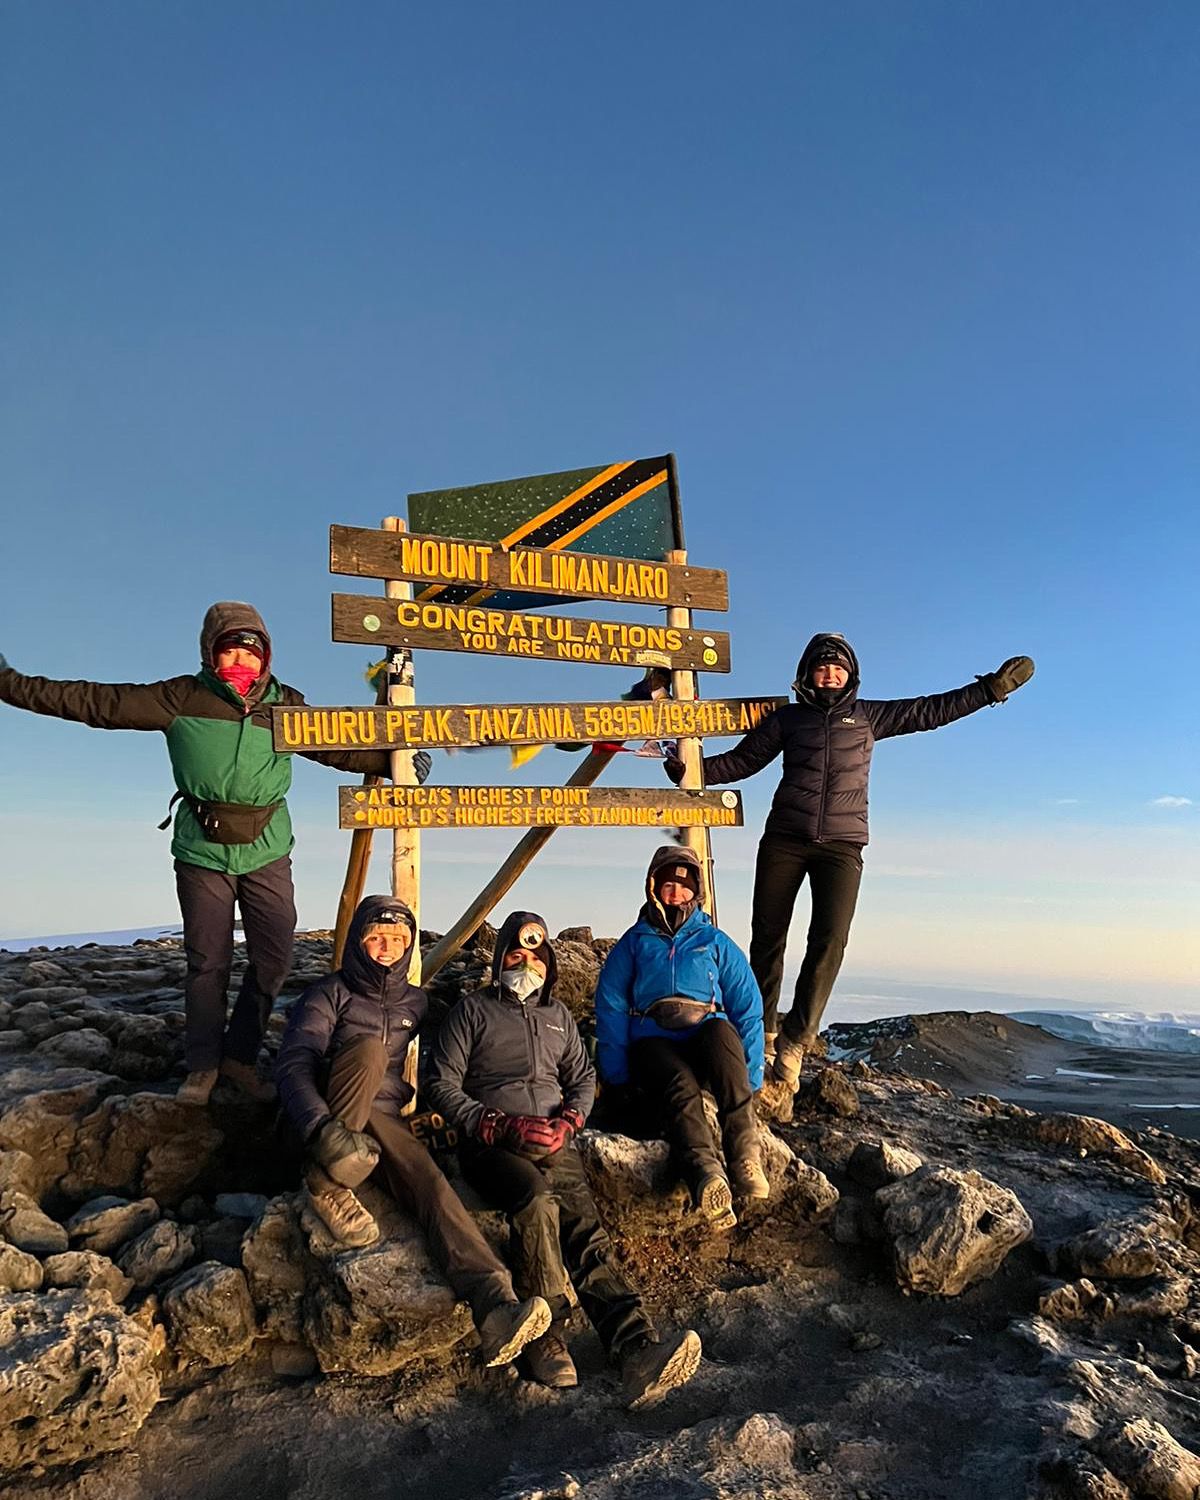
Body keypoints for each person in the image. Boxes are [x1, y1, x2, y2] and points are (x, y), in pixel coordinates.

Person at [0, 602, 430, 1105]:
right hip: (201, 849)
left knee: (273, 959)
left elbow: (336, 748)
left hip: (268, 847)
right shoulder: (180, 697)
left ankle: (240, 1058)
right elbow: (95, 701)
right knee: (208, 963)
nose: (241, 665)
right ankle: (202, 1066)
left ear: (266, 657)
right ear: (211, 654)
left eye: (251, 654)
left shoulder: (286, 706)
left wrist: (394, 761)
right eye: (230, 653)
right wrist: (10, 683)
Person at [666, 634, 1034, 1094]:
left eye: (838, 668)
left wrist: (987, 691)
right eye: (822, 668)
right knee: (768, 938)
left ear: (850, 674)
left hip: (843, 846)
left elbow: (929, 711)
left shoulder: (868, 717)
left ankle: (798, 1040)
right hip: (785, 839)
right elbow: (745, 760)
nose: (830, 674)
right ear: (808, 674)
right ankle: (761, 1034)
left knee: (829, 942)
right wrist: (689, 769)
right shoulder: (789, 719)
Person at [426, 911, 702, 1409]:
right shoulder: (472, 1011)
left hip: (557, 1142)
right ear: (499, 959)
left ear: (549, 964)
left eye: (535, 957)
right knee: (534, 1203)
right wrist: (494, 1123)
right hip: (491, 1144)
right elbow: (440, 1084)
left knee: (587, 1234)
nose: (525, 964)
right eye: (515, 955)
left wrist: (570, 1121)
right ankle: (543, 1334)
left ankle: (636, 1346)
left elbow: (582, 1079)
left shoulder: (559, 1018)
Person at [274, 894, 551, 1368]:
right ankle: (323, 1180)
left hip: (386, 1121)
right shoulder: (328, 994)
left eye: (398, 939)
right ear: (359, 940)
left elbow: (467, 1035)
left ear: (409, 947)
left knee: (432, 1188)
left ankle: (495, 1306)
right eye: (376, 937)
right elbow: (293, 1063)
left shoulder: (415, 1001)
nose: (386, 946)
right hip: (325, 1114)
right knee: (368, 1053)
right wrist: (319, 1127)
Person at [593, 846, 767, 1230]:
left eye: (683, 886)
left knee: (723, 1030)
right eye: (667, 885)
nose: (675, 893)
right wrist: (617, 1073)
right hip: (652, 1042)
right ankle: (707, 1173)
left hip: (704, 1035)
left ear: (696, 891)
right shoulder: (635, 942)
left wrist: (751, 1074)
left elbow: (747, 1007)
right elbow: (609, 1007)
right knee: (680, 1086)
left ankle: (744, 1157)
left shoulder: (715, 942)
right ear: (653, 887)